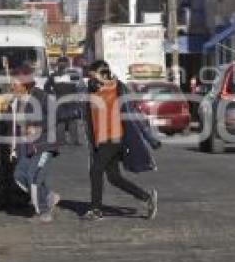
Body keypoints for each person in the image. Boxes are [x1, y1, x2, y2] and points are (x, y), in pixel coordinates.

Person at [82, 59, 160, 221]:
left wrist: (151, 139)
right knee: (114, 178)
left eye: (93, 76)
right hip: (100, 140)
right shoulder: (92, 92)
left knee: (95, 170)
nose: (91, 80)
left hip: (115, 137)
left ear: (104, 74)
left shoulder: (119, 89)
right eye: (90, 77)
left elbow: (134, 115)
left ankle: (96, 209)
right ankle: (147, 198)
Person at [9, 66, 60, 222]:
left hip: (44, 144)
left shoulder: (41, 97)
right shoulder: (16, 102)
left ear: (25, 84)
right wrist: (13, 148)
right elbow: (15, 127)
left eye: (15, 83)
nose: (12, 87)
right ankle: (48, 197)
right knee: (19, 176)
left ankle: (44, 212)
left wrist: (39, 126)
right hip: (26, 147)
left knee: (34, 177)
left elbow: (55, 115)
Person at [45, 58, 82, 146]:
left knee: (61, 121)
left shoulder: (53, 75)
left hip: (59, 100)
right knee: (72, 121)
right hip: (71, 100)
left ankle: (61, 141)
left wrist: (53, 94)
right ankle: (74, 141)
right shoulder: (73, 75)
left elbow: (46, 87)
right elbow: (79, 87)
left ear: (57, 64)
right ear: (68, 64)